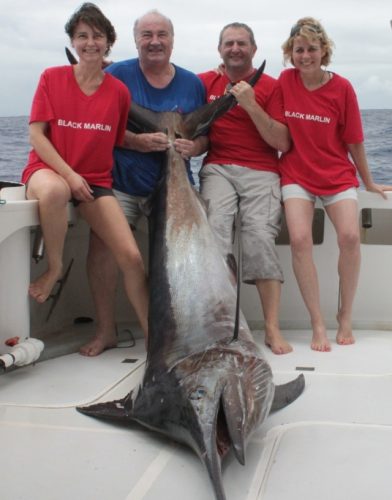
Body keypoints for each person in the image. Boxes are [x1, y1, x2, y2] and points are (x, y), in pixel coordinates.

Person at [82, 10, 207, 356]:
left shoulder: (192, 83)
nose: (155, 41)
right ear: (135, 40)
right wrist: (135, 142)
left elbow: (205, 138)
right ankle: (106, 330)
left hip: (173, 188)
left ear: (172, 40)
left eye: (161, 35)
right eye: (147, 35)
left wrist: (194, 146)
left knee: (176, 261)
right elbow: (96, 125)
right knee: (102, 247)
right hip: (121, 181)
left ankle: (175, 334)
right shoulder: (116, 75)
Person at [21, 3, 149, 341]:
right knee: (55, 192)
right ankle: (55, 267)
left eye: (97, 36)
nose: (90, 42)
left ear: (108, 41)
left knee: (132, 257)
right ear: (72, 42)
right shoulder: (52, 77)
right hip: (48, 170)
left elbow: (117, 136)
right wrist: (69, 175)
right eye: (82, 36)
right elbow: (36, 134)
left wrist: (147, 142)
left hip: (96, 182)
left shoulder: (119, 91)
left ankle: (154, 340)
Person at [278, 17, 391, 351]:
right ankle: (317, 323)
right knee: (299, 239)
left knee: (351, 237)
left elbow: (355, 141)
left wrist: (368, 181)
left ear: (324, 51)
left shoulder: (342, 88)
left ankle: (345, 315)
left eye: (312, 49)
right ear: (290, 53)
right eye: (299, 50)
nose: (305, 55)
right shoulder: (285, 81)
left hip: (337, 174)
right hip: (296, 173)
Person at [198, 22, 293, 355]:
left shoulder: (272, 86)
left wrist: (250, 103)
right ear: (220, 49)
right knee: (215, 237)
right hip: (218, 168)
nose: (235, 48)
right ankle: (226, 325)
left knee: (259, 240)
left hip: (262, 170)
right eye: (228, 43)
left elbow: (281, 141)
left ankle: (271, 327)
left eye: (241, 43)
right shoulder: (204, 82)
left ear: (254, 49)